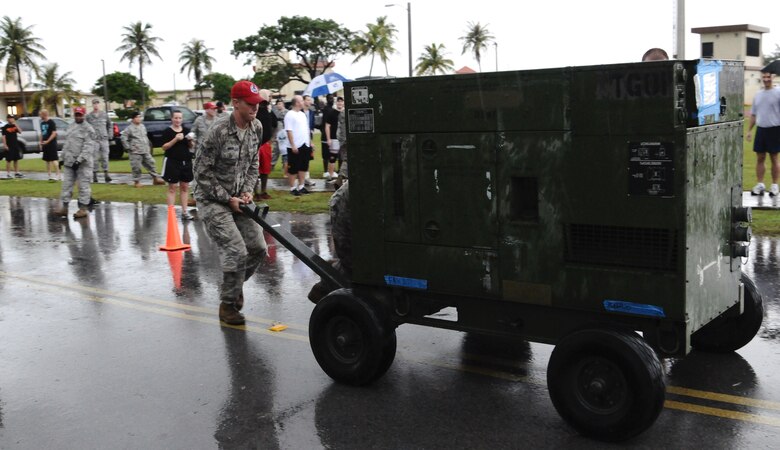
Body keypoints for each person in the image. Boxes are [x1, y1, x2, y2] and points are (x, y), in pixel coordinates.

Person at [193, 80, 267, 325]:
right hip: (212, 200)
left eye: (257, 104)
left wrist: (247, 192)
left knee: (258, 248)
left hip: (239, 199)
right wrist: (228, 199)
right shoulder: (218, 130)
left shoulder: (256, 127)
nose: (255, 108)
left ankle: (233, 285)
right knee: (237, 250)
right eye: (250, 104)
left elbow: (253, 164)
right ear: (236, 103)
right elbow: (201, 173)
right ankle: (227, 306)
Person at [53, 107, 96, 219]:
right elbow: (67, 144)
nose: (78, 117)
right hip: (69, 161)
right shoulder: (71, 126)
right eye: (76, 115)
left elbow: (88, 147)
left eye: (80, 115)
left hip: (83, 163)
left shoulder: (88, 129)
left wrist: (79, 160)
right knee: (66, 185)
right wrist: (62, 158)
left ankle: (83, 209)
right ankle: (65, 208)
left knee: (83, 186)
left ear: (84, 115)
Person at [747, 71, 780, 196]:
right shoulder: (758, 95)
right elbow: (753, 114)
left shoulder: (778, 92)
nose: (766, 79)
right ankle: (760, 184)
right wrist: (749, 130)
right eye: (764, 77)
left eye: (768, 77)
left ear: (773, 77)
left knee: (774, 158)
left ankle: (774, 186)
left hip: (775, 129)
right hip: (761, 130)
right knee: (760, 158)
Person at [161, 110, 195, 220]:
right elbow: (164, 147)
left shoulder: (186, 131)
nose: (178, 120)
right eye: (176, 118)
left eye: (180, 118)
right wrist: (175, 139)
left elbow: (190, 146)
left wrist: (190, 140)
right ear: (172, 119)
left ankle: (185, 212)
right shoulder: (167, 131)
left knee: (185, 187)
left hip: (186, 162)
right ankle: (171, 213)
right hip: (172, 162)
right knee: (172, 188)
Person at [120, 111, 166, 187]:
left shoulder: (142, 126)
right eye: (137, 117)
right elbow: (123, 138)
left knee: (151, 163)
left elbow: (145, 137)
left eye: (139, 117)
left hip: (145, 150)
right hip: (135, 151)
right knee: (136, 167)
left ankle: (155, 178)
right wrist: (128, 147)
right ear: (133, 119)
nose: (139, 119)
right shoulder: (129, 128)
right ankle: (137, 182)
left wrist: (149, 146)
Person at [285, 95, 313, 196]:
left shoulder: (302, 114)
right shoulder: (290, 114)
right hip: (295, 145)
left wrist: (310, 142)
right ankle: (293, 187)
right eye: (301, 100)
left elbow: (307, 129)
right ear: (297, 103)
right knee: (293, 168)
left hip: (305, 144)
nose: (303, 102)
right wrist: (293, 145)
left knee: (303, 166)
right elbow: (289, 130)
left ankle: (301, 186)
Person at [254, 89, 277, 201]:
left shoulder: (269, 110)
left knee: (265, 169)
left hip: (266, 144)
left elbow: (275, 124)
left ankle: (263, 191)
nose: (271, 98)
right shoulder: (255, 108)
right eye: (269, 96)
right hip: (255, 144)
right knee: (255, 169)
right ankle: (255, 192)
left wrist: (272, 138)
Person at [86, 99, 112, 183]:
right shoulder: (89, 116)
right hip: (94, 140)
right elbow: (85, 128)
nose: (96, 105)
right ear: (92, 105)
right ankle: (94, 175)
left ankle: (106, 174)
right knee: (94, 158)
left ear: (99, 104)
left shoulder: (104, 115)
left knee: (105, 157)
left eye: (97, 103)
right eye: (94, 104)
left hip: (104, 139)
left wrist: (110, 135)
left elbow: (110, 125)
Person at [323, 96, 343, 182]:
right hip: (334, 138)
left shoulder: (345, 112)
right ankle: (330, 175)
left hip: (343, 138)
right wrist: (328, 138)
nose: (340, 103)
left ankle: (342, 176)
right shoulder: (332, 112)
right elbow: (327, 126)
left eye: (341, 101)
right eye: (338, 101)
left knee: (343, 157)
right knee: (333, 157)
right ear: (336, 102)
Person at [39, 109, 59, 181]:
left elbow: (54, 133)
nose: (40, 116)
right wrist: (40, 142)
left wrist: (47, 141)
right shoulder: (42, 123)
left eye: (40, 114)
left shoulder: (51, 122)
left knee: (54, 159)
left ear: (44, 115)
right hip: (45, 144)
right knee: (47, 160)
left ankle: (57, 175)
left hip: (52, 144)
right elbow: (42, 133)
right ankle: (49, 175)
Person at [2, 115, 23, 179]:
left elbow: (20, 132)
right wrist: (5, 145)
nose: (12, 119)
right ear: (8, 119)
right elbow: (3, 137)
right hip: (9, 145)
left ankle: (16, 172)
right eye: (10, 118)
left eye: (12, 118)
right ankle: (8, 173)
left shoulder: (14, 126)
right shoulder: (5, 127)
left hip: (15, 145)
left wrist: (16, 125)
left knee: (16, 159)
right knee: (9, 160)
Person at [302, 94, 316, 187]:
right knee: (301, 158)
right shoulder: (300, 112)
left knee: (307, 157)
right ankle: (302, 178)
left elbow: (312, 126)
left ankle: (306, 178)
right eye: (307, 100)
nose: (309, 102)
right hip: (301, 136)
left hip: (308, 136)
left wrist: (311, 139)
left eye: (310, 100)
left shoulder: (311, 112)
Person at [319, 94, 334, 179]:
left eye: (332, 98)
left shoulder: (329, 109)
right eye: (330, 99)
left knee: (332, 153)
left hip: (330, 134)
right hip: (326, 135)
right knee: (326, 154)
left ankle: (330, 170)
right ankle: (326, 171)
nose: (332, 100)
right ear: (328, 100)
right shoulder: (326, 110)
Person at [271, 99, 288, 169]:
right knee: (275, 150)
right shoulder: (274, 112)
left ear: (283, 104)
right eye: (278, 104)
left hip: (285, 134)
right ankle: (272, 164)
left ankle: (284, 165)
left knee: (285, 150)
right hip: (276, 133)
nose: (279, 105)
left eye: (280, 104)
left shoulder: (287, 112)